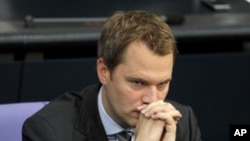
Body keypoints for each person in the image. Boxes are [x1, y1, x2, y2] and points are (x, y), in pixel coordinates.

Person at [22, 10, 201, 141]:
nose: (152, 99)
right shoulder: (49, 132)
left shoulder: (181, 123)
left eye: (162, 84)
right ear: (104, 72)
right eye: (138, 82)